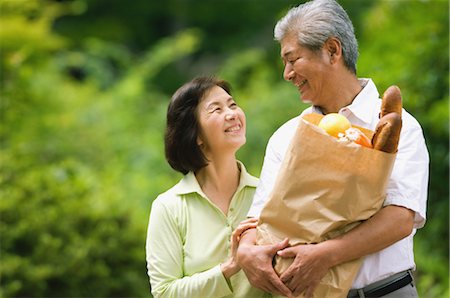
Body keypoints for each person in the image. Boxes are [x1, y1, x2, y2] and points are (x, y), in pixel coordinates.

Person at [236, 1, 429, 298]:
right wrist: (247, 249)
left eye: (292, 59)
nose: (287, 74)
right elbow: (261, 217)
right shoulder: (286, 137)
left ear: (332, 51)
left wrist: (326, 255)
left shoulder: (399, 126)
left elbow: (401, 217)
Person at [146, 76, 268, 297]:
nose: (232, 114)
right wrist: (230, 267)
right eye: (216, 109)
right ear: (196, 135)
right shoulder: (169, 208)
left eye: (232, 105)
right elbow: (164, 293)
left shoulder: (267, 193)